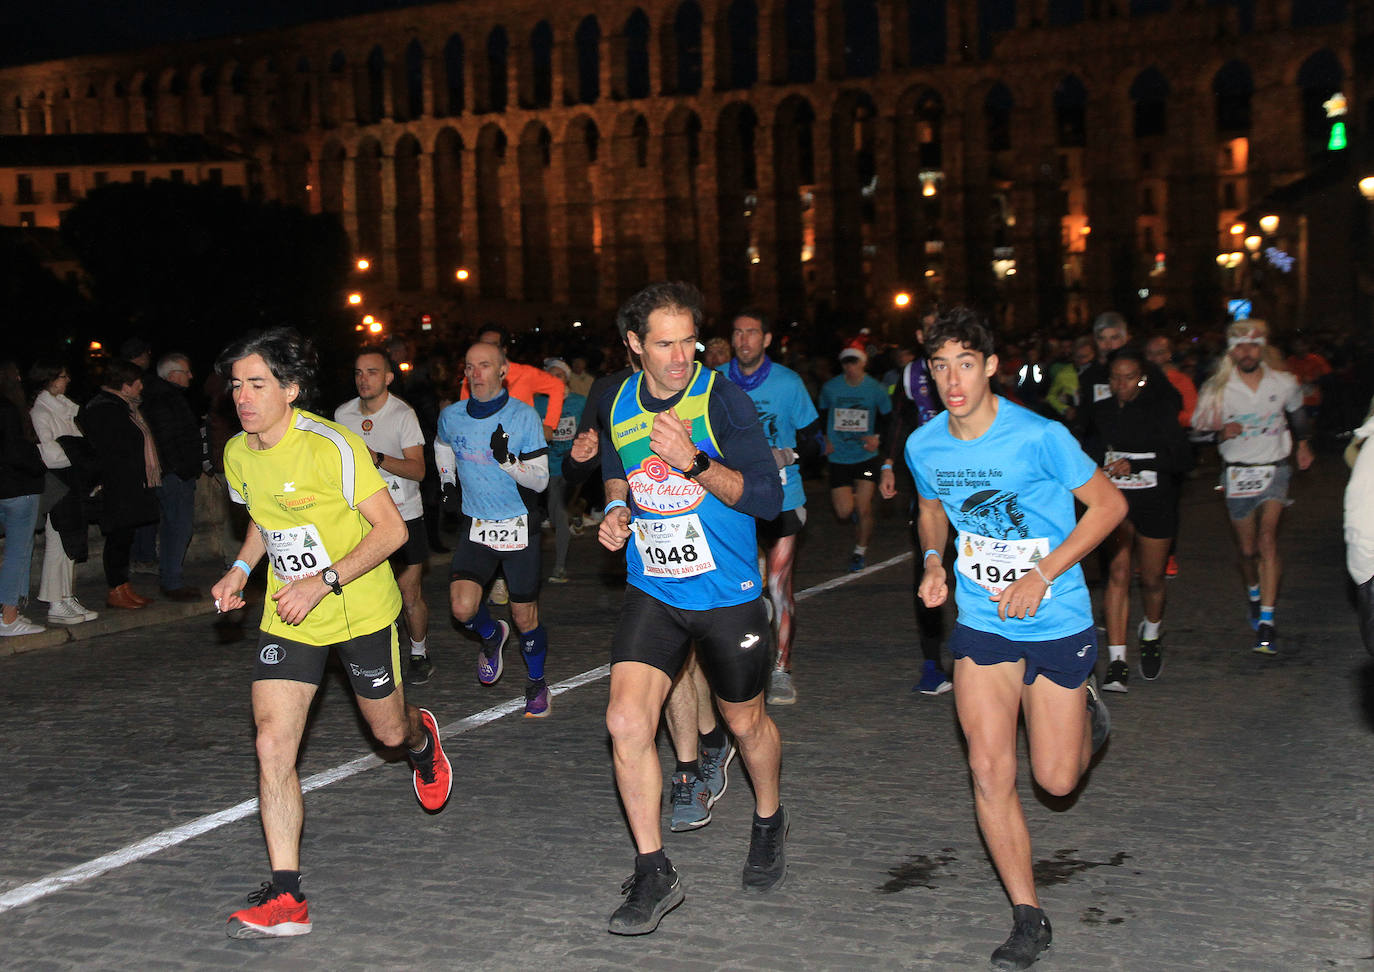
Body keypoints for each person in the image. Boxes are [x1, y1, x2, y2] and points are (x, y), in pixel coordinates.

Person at [210, 327, 451, 939]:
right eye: (237, 385)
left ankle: (421, 739)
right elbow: (265, 524)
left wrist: (323, 580)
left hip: (359, 608)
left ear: (289, 390)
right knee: (271, 743)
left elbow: (393, 532)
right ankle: (287, 897)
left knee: (387, 731)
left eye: (257, 384)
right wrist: (240, 570)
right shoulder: (238, 453)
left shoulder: (332, 445)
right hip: (287, 615)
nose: (243, 396)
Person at [907, 307, 1123, 970]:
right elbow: (931, 510)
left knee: (1057, 782)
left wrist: (1043, 573)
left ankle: (1085, 710)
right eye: (939, 366)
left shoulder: (1040, 436)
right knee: (987, 766)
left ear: (991, 365)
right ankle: (1027, 915)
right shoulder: (925, 445)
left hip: (1056, 617)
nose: (952, 379)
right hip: (981, 622)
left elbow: (1111, 506)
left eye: (964, 363)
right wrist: (935, 563)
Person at [597, 281, 786, 935]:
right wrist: (617, 508)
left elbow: (767, 497)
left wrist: (696, 461)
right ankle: (654, 871)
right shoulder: (617, 398)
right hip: (656, 589)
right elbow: (618, 468)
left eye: (690, 343)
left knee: (745, 722)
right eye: (665, 344)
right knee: (625, 721)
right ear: (634, 346)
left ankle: (768, 817)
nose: (682, 358)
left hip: (728, 595)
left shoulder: (721, 398)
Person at [435, 341, 553, 717]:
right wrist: (447, 483)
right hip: (477, 525)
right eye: (470, 367)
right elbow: (442, 446)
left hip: (519, 526)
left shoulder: (524, 417)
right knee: (461, 607)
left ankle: (536, 682)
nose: (476, 374)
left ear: (503, 371)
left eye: (485, 366)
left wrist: (508, 461)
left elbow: (540, 481)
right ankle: (490, 634)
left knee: (523, 616)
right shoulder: (452, 415)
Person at [1192, 319, 1313, 654]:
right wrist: (1219, 433)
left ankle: (1268, 621)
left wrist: (1303, 443)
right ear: (1231, 351)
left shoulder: (1284, 382)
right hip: (1237, 473)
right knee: (1247, 551)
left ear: (1262, 348)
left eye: (1253, 345)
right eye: (1240, 346)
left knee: (1267, 540)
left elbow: (1297, 414)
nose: (1247, 352)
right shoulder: (1217, 389)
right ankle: (1254, 593)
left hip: (1274, 468)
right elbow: (1194, 434)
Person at [719, 309, 821, 705]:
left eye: (752, 333)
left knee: (778, 589)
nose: (744, 340)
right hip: (732, 499)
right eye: (738, 333)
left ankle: (781, 670)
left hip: (783, 501)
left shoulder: (788, 383)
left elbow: (815, 440)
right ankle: (735, 664)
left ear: (766, 339)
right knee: (737, 588)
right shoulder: (717, 382)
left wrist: (787, 454)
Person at [1087, 349, 1192, 691]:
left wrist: (1138, 465)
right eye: (1115, 377)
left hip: (1155, 501)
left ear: (1141, 377)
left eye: (1128, 377)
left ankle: (1151, 630)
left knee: (1151, 580)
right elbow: (1086, 448)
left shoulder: (1160, 408)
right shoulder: (1100, 410)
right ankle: (1117, 663)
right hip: (1115, 502)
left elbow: (1181, 458)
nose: (1120, 384)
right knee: (1116, 574)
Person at [335, 346, 433, 684]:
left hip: (404, 517)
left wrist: (376, 458)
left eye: (372, 372)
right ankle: (371, 657)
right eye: (359, 373)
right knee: (363, 593)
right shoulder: (342, 415)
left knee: (409, 595)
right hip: (360, 519)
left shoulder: (403, 415)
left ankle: (419, 652)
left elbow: (419, 470)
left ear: (389, 377)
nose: (364, 379)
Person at [880, 315, 954, 696]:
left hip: (972, 480)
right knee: (929, 565)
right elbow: (898, 421)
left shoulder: (965, 368)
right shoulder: (910, 374)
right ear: (920, 336)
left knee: (972, 566)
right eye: (928, 329)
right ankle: (931, 662)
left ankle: (978, 650)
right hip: (927, 480)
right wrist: (888, 464)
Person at [79, 359, 160, 610]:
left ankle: (123, 587)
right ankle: (116, 589)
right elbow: (110, 450)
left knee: (124, 538)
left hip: (129, 484)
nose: (141, 388)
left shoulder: (122, 406)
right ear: (125, 386)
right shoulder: (105, 408)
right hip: (117, 485)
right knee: (117, 538)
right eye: (137, 384)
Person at [29, 360, 98, 626]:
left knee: (70, 537)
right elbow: (49, 453)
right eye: (62, 376)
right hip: (57, 481)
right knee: (57, 539)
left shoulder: (63, 408)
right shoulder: (41, 412)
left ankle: (66, 594)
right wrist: (78, 452)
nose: (67, 379)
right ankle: (54, 600)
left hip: (72, 478)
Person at [818, 346, 891, 571]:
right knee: (844, 511)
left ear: (863, 364)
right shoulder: (831, 388)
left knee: (864, 507)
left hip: (865, 457)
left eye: (854, 362)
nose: (850, 367)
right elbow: (819, 415)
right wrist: (824, 440)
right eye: (846, 363)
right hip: (839, 457)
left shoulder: (875, 389)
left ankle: (860, 551)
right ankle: (857, 517)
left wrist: (878, 438)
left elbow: (889, 419)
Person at [140, 352, 203, 601]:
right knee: (178, 527)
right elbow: (168, 439)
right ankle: (172, 581)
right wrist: (181, 468)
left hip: (174, 472)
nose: (190, 376)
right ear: (172, 374)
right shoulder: (165, 398)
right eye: (186, 372)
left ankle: (171, 578)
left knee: (174, 526)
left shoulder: (163, 396)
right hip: (175, 475)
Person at [0, 361, 46, 636]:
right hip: (17, 488)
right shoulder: (8, 409)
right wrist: (38, 466)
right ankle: (8, 615)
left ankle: (11, 609)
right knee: (18, 551)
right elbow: (16, 452)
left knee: (19, 550)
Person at [539, 358, 585, 584]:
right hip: (547, 467)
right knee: (556, 514)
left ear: (566, 378)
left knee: (558, 511)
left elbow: (591, 429)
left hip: (572, 467)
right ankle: (578, 510)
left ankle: (559, 567)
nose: (554, 379)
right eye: (550, 375)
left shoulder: (579, 402)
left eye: (559, 375)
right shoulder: (537, 403)